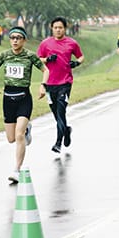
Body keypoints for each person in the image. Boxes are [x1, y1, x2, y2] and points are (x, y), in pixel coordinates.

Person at [0, 26, 49, 184]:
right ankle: (26, 131)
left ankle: (16, 169)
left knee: (18, 135)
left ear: (24, 40)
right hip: (7, 98)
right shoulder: (4, 55)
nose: (15, 40)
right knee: (11, 138)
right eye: (12, 38)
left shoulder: (30, 56)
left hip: (24, 97)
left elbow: (46, 70)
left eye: (18, 38)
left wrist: (43, 85)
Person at [37, 16, 84, 153]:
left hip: (65, 82)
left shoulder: (71, 43)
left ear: (65, 28)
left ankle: (58, 143)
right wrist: (47, 59)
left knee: (61, 111)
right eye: (55, 27)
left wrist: (76, 63)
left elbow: (81, 56)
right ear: (52, 28)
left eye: (60, 28)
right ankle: (67, 130)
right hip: (50, 83)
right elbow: (38, 59)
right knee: (56, 114)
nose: (58, 30)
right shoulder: (45, 43)